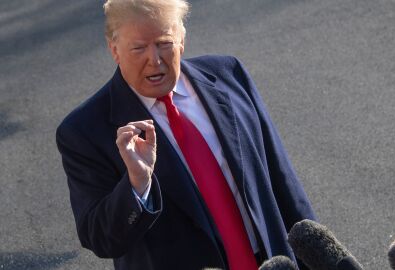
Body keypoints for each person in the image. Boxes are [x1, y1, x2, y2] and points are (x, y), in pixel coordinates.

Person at [56, 0, 316, 269]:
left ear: (182, 39)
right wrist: (137, 185)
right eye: (138, 48)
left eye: (164, 43)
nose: (154, 59)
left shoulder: (229, 75)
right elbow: (100, 239)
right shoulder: (84, 131)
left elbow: (282, 181)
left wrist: (319, 258)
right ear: (114, 50)